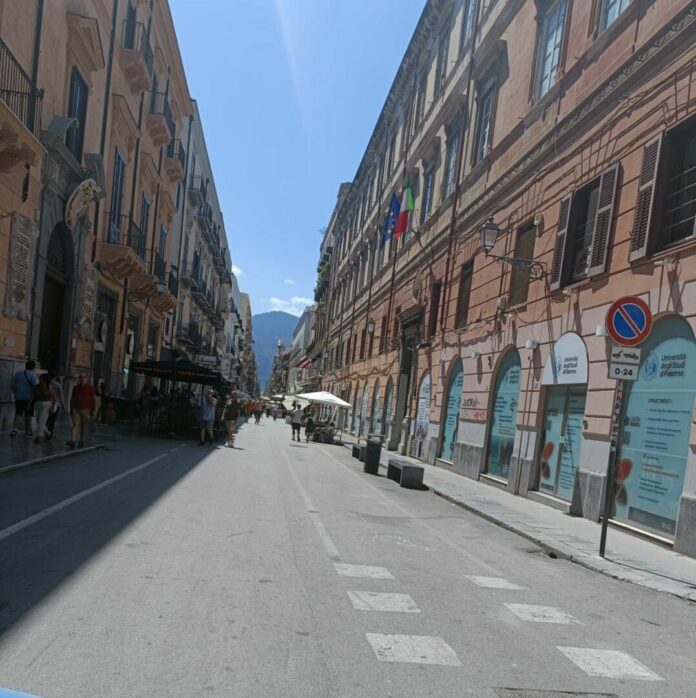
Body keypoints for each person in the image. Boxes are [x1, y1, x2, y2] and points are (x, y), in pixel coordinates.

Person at [10, 360, 39, 437]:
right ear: (33, 367)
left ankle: (14, 429)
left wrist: (15, 392)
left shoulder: (18, 374)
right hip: (29, 399)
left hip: (19, 397)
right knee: (28, 415)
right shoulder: (33, 376)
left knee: (18, 413)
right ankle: (28, 431)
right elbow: (35, 387)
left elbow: (12, 383)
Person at [66, 373, 95, 448]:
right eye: (81, 377)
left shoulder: (90, 388)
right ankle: (72, 440)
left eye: (84, 377)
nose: (82, 379)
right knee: (75, 424)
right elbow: (72, 398)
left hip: (86, 409)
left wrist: (93, 411)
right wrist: (70, 408)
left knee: (83, 425)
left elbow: (94, 399)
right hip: (76, 408)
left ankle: (82, 440)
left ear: (87, 378)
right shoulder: (76, 387)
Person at [32, 373, 56, 443]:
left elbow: (54, 398)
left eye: (41, 378)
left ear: (45, 379)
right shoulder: (37, 386)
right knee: (39, 421)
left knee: (41, 420)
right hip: (37, 404)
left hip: (46, 405)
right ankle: (48, 432)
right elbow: (33, 395)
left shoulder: (50, 387)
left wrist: (52, 407)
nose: (39, 379)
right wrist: (29, 404)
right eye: (39, 378)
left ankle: (39, 436)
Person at [45, 373, 67, 439]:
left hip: (46, 403)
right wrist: (63, 406)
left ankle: (46, 431)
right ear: (55, 377)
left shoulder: (45, 383)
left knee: (46, 419)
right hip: (56, 405)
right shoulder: (58, 385)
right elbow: (61, 396)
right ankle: (50, 433)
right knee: (52, 420)